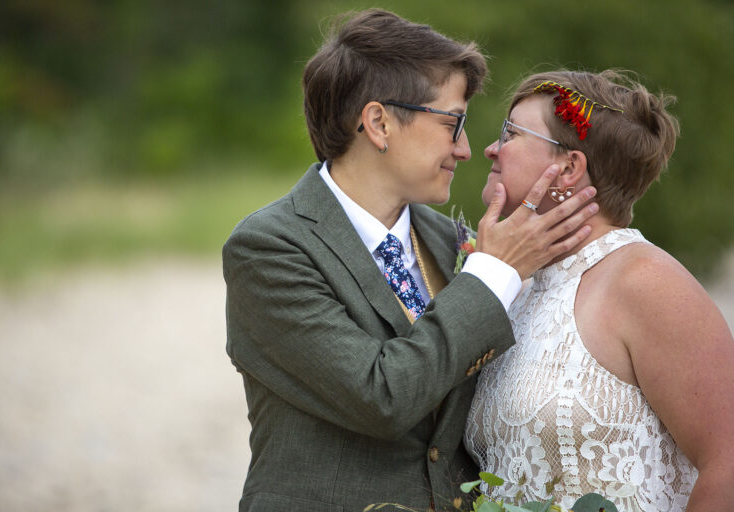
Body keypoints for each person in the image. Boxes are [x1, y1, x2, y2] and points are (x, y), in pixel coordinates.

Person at [223, 9, 600, 512]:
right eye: (453, 124)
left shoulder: (456, 243)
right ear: (379, 123)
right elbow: (381, 397)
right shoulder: (270, 249)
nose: (466, 150)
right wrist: (494, 275)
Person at [464, 69, 734, 511]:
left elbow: (727, 463)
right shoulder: (520, 287)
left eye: (510, 134)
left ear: (568, 167)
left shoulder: (645, 280)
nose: (492, 148)